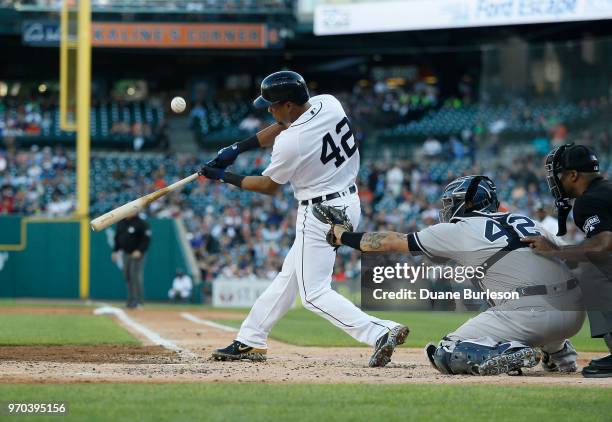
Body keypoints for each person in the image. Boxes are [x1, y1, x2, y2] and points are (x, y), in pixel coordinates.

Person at [199, 70, 408, 366]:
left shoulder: (292, 142)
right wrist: (237, 148)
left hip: (320, 212)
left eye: (273, 104)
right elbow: (282, 125)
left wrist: (223, 176)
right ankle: (250, 340)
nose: (269, 110)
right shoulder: (328, 103)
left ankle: (379, 331)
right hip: (348, 201)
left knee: (313, 293)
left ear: (288, 105)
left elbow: (269, 186)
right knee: (289, 278)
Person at [317, 175, 584, 376]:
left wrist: (342, 236)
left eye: (452, 202)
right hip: (574, 313)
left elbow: (390, 242)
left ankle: (511, 351)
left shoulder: (460, 228)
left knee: (446, 351)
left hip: (530, 315)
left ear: (467, 203)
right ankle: (561, 355)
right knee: (527, 295)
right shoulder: (524, 219)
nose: (447, 209)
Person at [522, 144, 612, 378]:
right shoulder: (605, 189)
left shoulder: (588, 200)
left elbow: (603, 246)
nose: (554, 182)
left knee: (591, 268)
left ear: (573, 175)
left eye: (557, 176)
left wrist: (555, 251)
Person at [112, 213, 151, 309]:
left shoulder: (142, 223)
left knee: (135, 276)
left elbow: (146, 239)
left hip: (137, 254)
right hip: (126, 253)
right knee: (127, 276)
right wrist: (115, 251)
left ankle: (139, 301)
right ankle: (130, 301)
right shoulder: (121, 223)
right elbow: (117, 238)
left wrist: (140, 250)